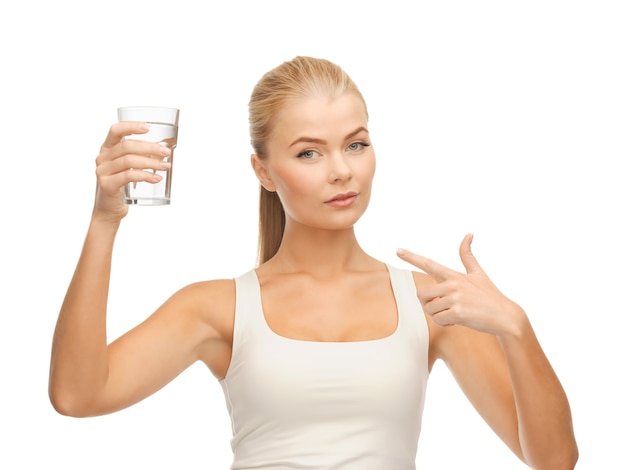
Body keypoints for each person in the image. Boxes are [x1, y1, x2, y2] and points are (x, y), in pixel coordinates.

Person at [49, 56, 578, 469]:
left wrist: (516, 328)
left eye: (356, 144)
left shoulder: (431, 302)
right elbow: (77, 395)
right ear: (263, 171)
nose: (342, 171)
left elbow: (554, 461)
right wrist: (103, 222)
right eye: (309, 152)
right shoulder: (217, 308)